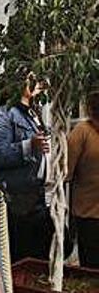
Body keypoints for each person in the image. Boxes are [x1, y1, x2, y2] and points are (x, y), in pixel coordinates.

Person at [0, 76, 52, 263]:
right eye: (32, 79)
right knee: (19, 260)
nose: (38, 84)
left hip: (35, 198)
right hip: (16, 203)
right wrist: (28, 145)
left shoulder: (33, 114)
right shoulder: (3, 115)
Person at [67, 89, 99, 269]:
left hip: (88, 213)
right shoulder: (83, 132)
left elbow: (66, 171)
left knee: (90, 268)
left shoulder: (82, 132)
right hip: (89, 211)